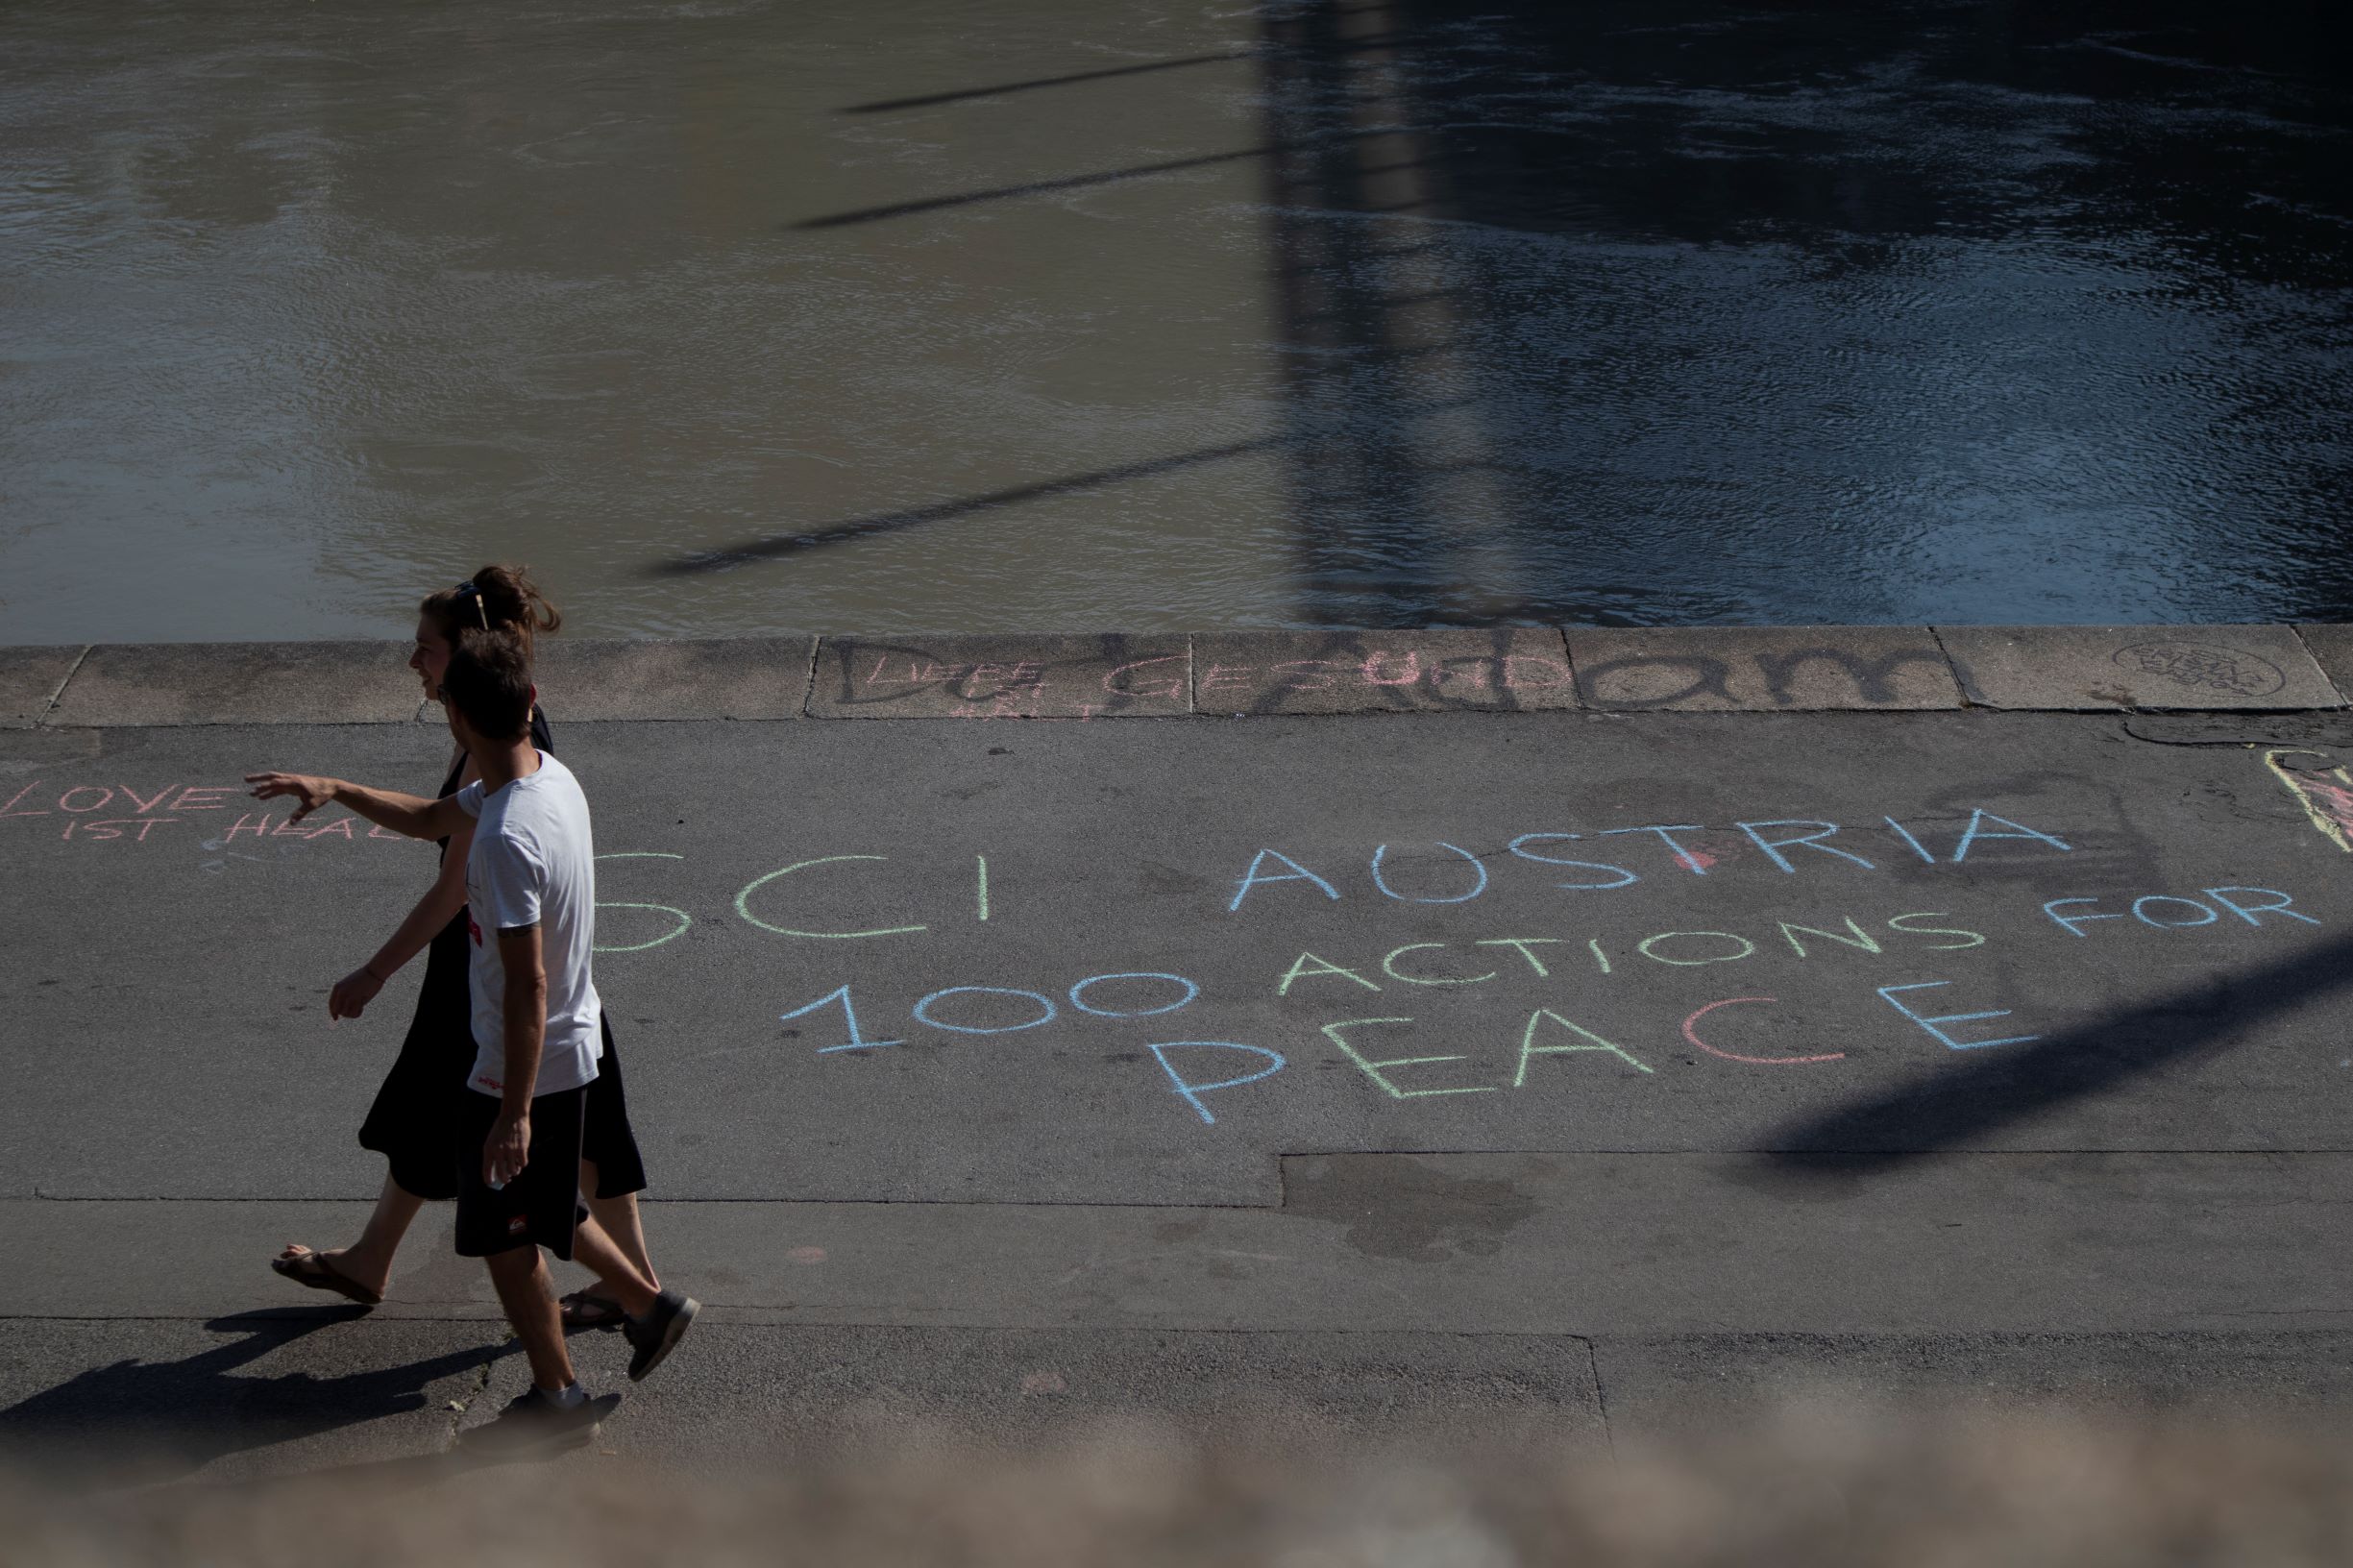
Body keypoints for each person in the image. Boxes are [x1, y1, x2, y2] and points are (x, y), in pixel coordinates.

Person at [248, 630, 697, 1448]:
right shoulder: (546, 783)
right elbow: (427, 817)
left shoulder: (502, 841)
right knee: (532, 1207)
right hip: (572, 1044)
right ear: (530, 705)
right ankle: (647, 1303)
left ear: (455, 719)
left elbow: (525, 987)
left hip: (526, 1065)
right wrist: (337, 787)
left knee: (507, 1235)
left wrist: (513, 1110)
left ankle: (559, 1400)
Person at [269, 567, 656, 1332]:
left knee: (536, 1159)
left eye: (425, 648)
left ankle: (615, 1319)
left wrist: (375, 970)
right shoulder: (498, 740)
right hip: (506, 964)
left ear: (463, 657)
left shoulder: (507, 757)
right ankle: (376, 1258)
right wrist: (339, 787)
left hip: (504, 968)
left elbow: (456, 884)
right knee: (472, 1119)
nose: (413, 662)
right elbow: (433, 820)